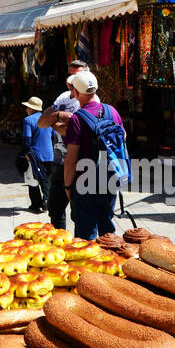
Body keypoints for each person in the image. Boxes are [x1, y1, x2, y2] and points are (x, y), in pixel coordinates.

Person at [63, 69, 128, 240]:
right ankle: (110, 261)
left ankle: (89, 267)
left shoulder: (77, 119)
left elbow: (71, 159)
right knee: (107, 229)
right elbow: (123, 138)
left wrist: (68, 186)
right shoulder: (112, 111)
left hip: (85, 181)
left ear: (76, 92)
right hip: (110, 179)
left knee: (86, 234)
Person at [37, 59, 88, 229]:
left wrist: (56, 120)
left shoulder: (89, 100)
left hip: (81, 164)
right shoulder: (63, 97)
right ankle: (60, 246)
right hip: (59, 162)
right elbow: (42, 122)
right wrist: (59, 117)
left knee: (79, 213)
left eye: (78, 75)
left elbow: (73, 133)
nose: (73, 80)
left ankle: (79, 248)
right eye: (71, 76)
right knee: (55, 209)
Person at [21, 95, 55, 212]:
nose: (26, 109)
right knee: (46, 179)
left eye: (27, 107)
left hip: (35, 154)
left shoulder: (28, 120)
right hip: (49, 154)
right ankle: (47, 200)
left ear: (31, 109)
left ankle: (36, 203)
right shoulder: (48, 119)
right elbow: (53, 136)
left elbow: (27, 138)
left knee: (32, 179)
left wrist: (27, 152)